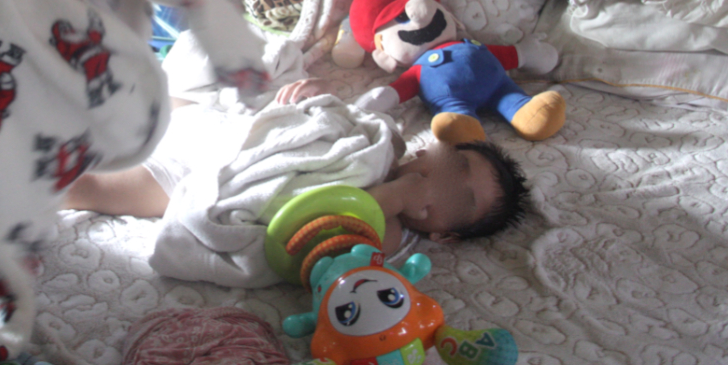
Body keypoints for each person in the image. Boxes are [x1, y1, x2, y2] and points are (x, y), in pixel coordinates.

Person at [65, 78, 530, 254]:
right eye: (462, 166)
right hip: (228, 129)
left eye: (466, 199)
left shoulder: (388, 235)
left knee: (89, 187)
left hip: (197, 177)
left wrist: (396, 198)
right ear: (426, 154)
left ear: (444, 233)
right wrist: (306, 104)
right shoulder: (382, 143)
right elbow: (333, 122)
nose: (455, 182)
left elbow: (344, 227)